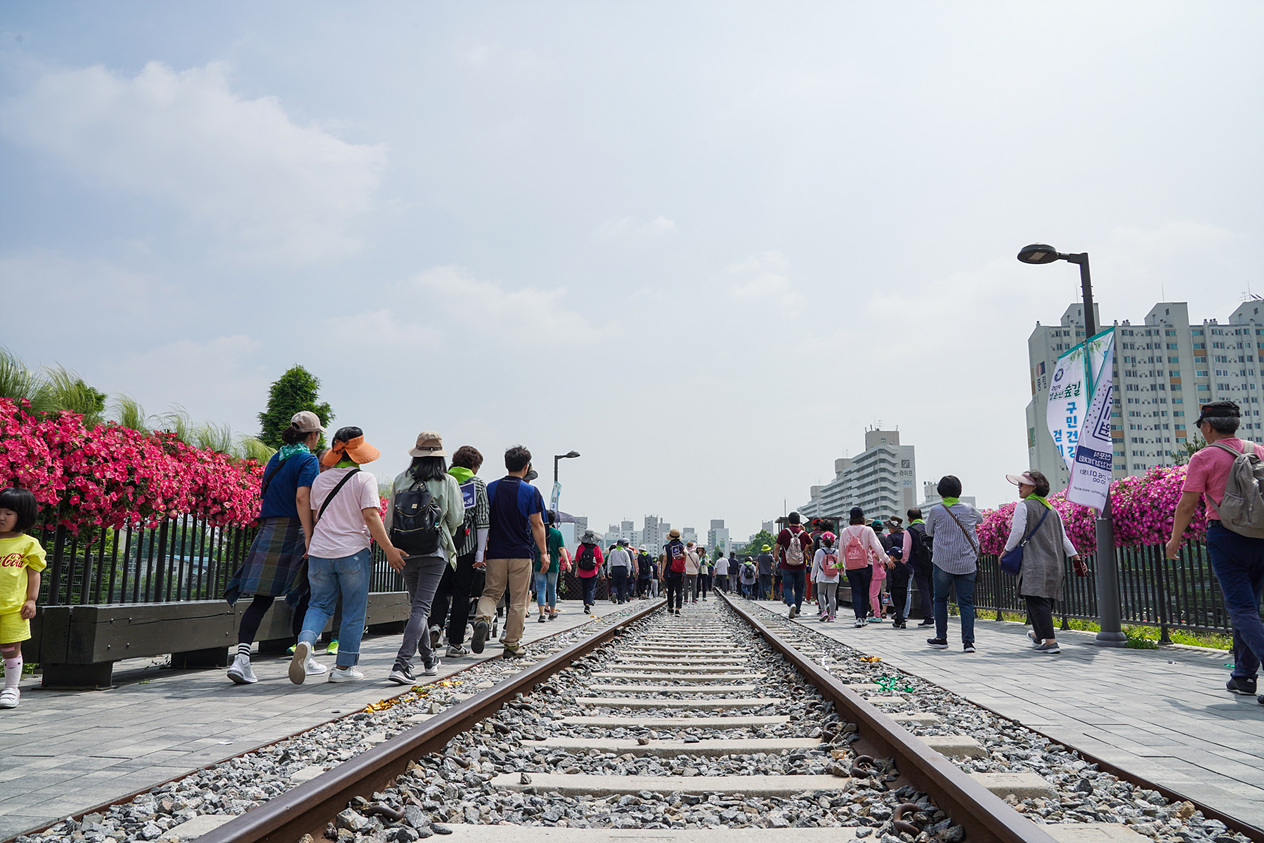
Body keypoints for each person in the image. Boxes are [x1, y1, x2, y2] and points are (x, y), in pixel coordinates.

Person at [1165, 400, 1264, 706]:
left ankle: (1247, 673)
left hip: (1226, 536)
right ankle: (1244, 676)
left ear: (1207, 426)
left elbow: (1187, 504)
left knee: (1242, 610)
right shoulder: (1258, 450)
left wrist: (1174, 540)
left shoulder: (1204, 456)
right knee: (1249, 607)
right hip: (1261, 536)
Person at [291, 427, 407, 684]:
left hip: (320, 551)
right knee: (354, 610)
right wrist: (388, 549)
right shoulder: (364, 479)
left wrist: (310, 540)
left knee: (318, 605)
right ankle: (343, 667)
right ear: (358, 453)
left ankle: (306, 644)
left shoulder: (320, 480)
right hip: (352, 552)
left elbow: (313, 515)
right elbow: (370, 515)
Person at [224, 411, 323, 685]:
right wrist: (309, 535)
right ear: (313, 435)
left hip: (268, 529)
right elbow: (302, 498)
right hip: (293, 529)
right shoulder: (307, 460)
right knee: (306, 593)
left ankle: (241, 659)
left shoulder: (276, 458)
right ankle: (303, 655)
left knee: (261, 598)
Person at [383, 431, 464, 684]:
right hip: (433, 552)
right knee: (421, 608)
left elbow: (388, 521)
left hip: (405, 551)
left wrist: (391, 548)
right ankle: (402, 664)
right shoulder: (447, 481)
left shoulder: (401, 479)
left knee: (418, 606)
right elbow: (456, 519)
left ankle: (428, 659)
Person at [472, 446, 549, 658]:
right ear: (526, 467)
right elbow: (537, 524)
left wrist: (482, 549)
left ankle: (482, 620)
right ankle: (512, 644)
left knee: (490, 593)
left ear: (506, 465)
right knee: (517, 600)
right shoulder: (531, 491)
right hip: (521, 553)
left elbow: (483, 520)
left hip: (496, 551)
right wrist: (543, 552)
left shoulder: (491, 488)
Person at [1004, 470, 1080, 655]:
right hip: (1054, 563)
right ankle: (1038, 635)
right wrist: (1075, 557)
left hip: (1034, 563)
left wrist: (1006, 551)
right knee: (1043, 601)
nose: (1019, 487)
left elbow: (1017, 532)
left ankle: (1050, 642)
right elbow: (1063, 539)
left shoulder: (1024, 507)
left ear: (1033, 487)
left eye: (1022, 484)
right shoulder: (1052, 510)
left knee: (1036, 601)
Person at [429, 445, 489, 658]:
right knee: (462, 594)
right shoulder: (477, 484)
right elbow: (483, 520)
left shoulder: (441, 479)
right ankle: (454, 644)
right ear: (474, 465)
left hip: (441, 546)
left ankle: (435, 625)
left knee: (440, 590)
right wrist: (481, 552)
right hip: (467, 547)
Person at [924, 475, 984, 653]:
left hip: (943, 561)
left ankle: (941, 638)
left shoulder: (937, 510)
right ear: (959, 491)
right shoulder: (969, 509)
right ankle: (968, 643)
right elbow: (980, 520)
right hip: (966, 562)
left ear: (941, 492)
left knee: (940, 599)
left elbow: (928, 531)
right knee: (965, 602)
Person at [0, 488, 45, 710]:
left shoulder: (28, 544)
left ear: (23, 515)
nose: (1, 517)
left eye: (9, 513)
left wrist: (31, 600)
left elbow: (34, 573)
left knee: (10, 648)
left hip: (12, 608)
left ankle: (11, 687)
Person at [839, 507, 887, 627]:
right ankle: (864, 617)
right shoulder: (868, 530)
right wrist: (887, 560)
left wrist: (840, 564)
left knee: (856, 591)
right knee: (865, 592)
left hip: (851, 566)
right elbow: (877, 547)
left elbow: (841, 549)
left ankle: (858, 617)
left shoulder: (845, 531)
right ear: (863, 517)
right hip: (866, 565)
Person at [776, 512, 811, 619]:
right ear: (799, 521)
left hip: (787, 565)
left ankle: (791, 604)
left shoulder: (784, 532)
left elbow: (777, 547)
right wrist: (803, 532)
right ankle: (798, 610)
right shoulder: (803, 534)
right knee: (799, 588)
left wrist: (776, 556)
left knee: (787, 586)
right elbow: (811, 542)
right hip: (801, 565)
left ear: (789, 522)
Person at [535, 511, 569, 622]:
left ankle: (542, 614)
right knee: (552, 589)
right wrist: (568, 562)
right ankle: (552, 612)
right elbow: (561, 549)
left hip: (539, 563)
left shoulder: (538, 532)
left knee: (540, 589)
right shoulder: (557, 533)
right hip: (553, 564)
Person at [906, 508, 935, 627]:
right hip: (933, 562)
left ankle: (928, 618)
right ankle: (935, 614)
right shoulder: (929, 527)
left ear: (909, 519)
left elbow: (906, 550)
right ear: (922, 517)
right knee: (933, 591)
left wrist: (905, 563)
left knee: (924, 591)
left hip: (918, 565)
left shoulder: (909, 531)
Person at [885, 517, 911, 630]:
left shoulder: (890, 538)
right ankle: (902, 617)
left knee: (897, 604)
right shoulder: (905, 535)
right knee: (904, 600)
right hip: (904, 586)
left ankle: (900, 619)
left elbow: (889, 579)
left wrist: (887, 590)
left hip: (895, 588)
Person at [811, 531, 841, 622]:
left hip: (822, 576)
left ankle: (823, 611)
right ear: (833, 542)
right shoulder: (837, 552)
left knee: (821, 593)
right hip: (834, 576)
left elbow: (815, 565)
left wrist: (812, 577)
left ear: (822, 542)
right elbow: (840, 565)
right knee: (832, 595)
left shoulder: (819, 552)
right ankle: (832, 615)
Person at [574, 530, 604, 613]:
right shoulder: (597, 548)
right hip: (593, 572)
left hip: (582, 572)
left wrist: (577, 571)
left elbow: (577, 560)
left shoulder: (580, 547)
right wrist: (600, 571)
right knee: (591, 588)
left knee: (584, 588)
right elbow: (600, 562)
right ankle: (587, 605)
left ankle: (586, 602)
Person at [868, 519, 891, 623]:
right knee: (885, 592)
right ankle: (884, 611)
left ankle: (874, 610)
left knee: (873, 594)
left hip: (876, 572)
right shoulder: (885, 538)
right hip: (884, 569)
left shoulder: (871, 541)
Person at [663, 528, 687, 615]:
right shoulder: (683, 547)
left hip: (670, 572)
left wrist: (662, 572)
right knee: (679, 590)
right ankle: (678, 609)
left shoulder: (667, 547)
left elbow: (665, 560)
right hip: (680, 572)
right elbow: (685, 559)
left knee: (670, 590)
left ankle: (670, 607)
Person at [607, 539, 633, 604]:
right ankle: (620, 600)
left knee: (614, 583)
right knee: (622, 584)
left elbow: (609, 562)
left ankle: (614, 592)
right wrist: (628, 572)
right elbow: (628, 563)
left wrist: (608, 571)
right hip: (623, 569)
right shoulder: (624, 552)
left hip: (615, 569)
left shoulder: (612, 551)